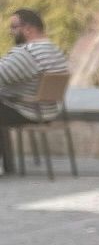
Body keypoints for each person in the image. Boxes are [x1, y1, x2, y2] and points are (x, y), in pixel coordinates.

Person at [0, 9, 68, 173]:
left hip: (27, 110)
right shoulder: (55, 51)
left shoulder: (27, 53)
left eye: (14, 27)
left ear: (28, 28)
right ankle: (6, 165)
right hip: (48, 110)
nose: (11, 32)